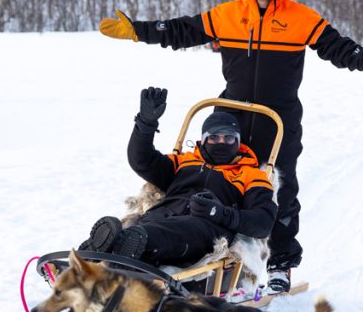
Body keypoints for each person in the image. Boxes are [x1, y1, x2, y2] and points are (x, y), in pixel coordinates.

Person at [96, 0, 363, 293]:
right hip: (230, 112)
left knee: (280, 190)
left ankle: (280, 264)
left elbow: (338, 48)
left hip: (277, 118)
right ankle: (191, 242)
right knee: (209, 178)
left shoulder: (300, 18)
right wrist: (137, 30)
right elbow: (181, 31)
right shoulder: (229, 15)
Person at [81, 87, 277, 269]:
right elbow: (142, 161)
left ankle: (121, 249)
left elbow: (263, 222)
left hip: (207, 228)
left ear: (238, 141)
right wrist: (145, 124)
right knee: (144, 225)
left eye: (229, 138)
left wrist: (220, 213)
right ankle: (102, 251)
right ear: (204, 139)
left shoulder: (251, 174)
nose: (221, 142)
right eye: (214, 137)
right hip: (161, 216)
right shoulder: (185, 161)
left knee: (171, 231)